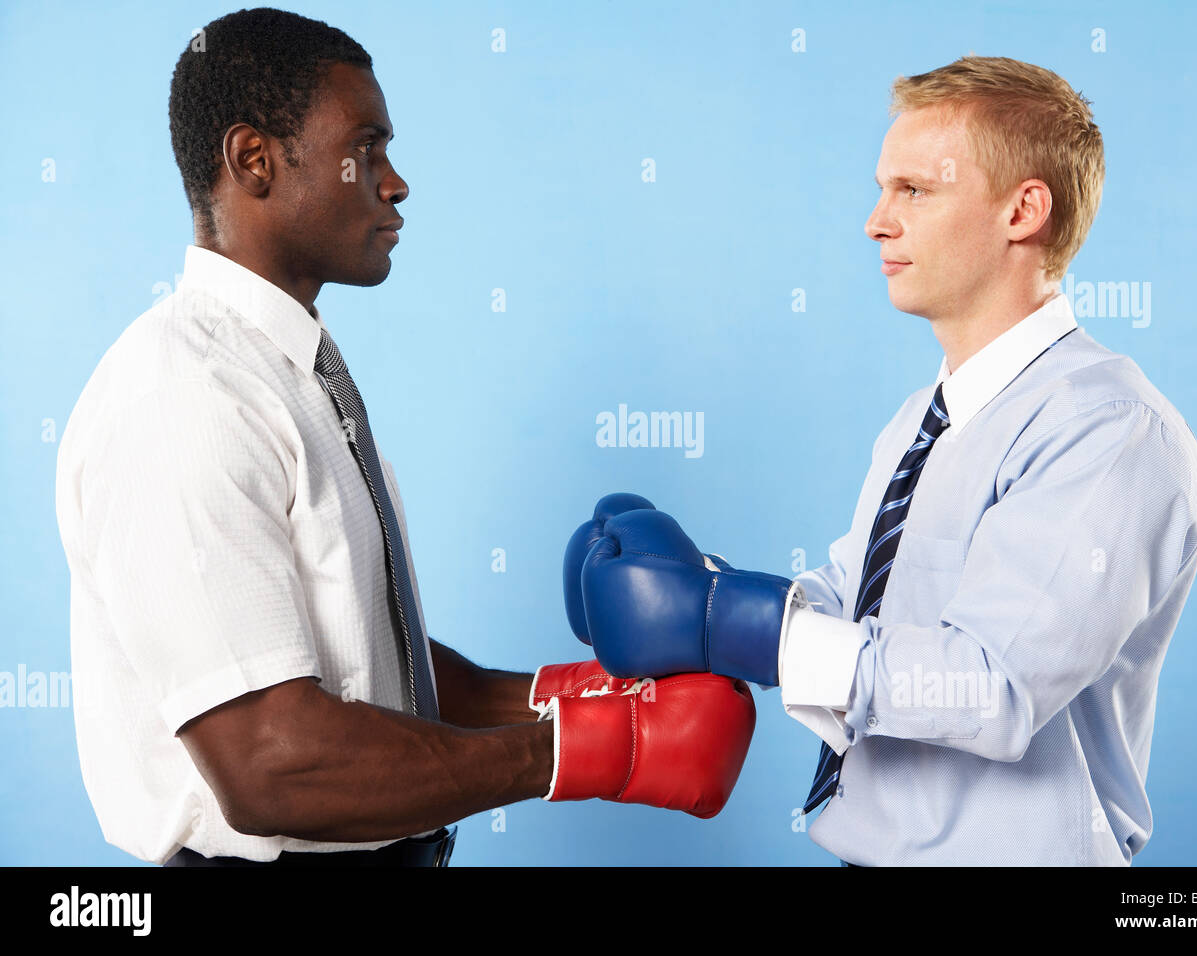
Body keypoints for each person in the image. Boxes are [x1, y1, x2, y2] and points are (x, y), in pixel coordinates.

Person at [53, 7, 756, 867]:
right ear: (254, 160)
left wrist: (583, 697)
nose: (395, 182)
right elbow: (275, 762)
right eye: (367, 147)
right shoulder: (185, 396)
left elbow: (369, 667)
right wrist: (601, 750)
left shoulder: (291, 373)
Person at [564, 55, 1197, 866]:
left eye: (914, 190)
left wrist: (733, 625)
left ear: (1023, 210)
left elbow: (991, 686)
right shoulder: (927, 415)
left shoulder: (1110, 430)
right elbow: (862, 611)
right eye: (882, 188)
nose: (876, 220)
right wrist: (701, 591)